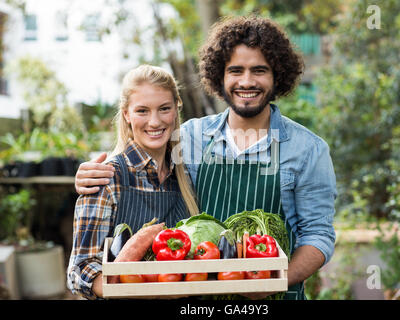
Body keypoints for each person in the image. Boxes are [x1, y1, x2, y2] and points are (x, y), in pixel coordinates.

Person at [74, 16, 337, 300]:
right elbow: (142, 158)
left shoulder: (308, 149)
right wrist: (91, 175)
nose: (246, 81)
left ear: (277, 76)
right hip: (199, 301)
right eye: (235, 70)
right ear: (219, 76)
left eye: (259, 70)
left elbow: (318, 235)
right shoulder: (189, 137)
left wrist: (276, 280)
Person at [67, 64, 199, 299]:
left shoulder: (183, 176)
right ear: (126, 114)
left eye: (164, 109)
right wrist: (141, 291)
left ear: (176, 109)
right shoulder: (107, 178)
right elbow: (80, 270)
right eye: (142, 111)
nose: (155, 121)